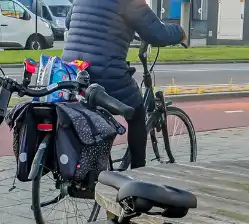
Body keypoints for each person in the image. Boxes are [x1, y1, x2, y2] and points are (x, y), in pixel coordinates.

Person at [63, 0, 185, 169]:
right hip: (104, 72)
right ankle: (138, 172)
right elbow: (157, 33)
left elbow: (69, 22)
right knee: (136, 112)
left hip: (71, 70)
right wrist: (180, 33)